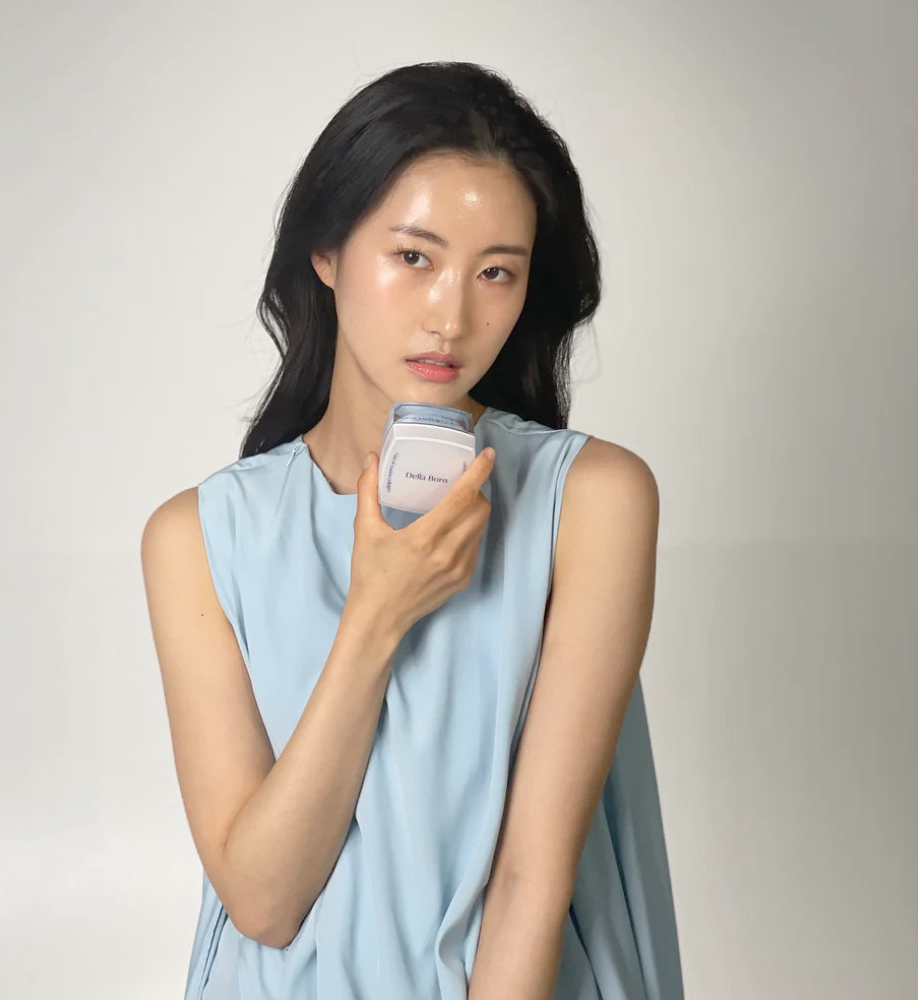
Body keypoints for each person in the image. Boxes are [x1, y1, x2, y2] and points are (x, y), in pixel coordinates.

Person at [141, 61, 684, 1000]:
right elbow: (263, 900)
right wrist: (377, 616)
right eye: (414, 258)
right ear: (326, 251)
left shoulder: (591, 500)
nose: (452, 315)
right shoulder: (198, 537)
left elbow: (531, 879)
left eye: (496, 272)